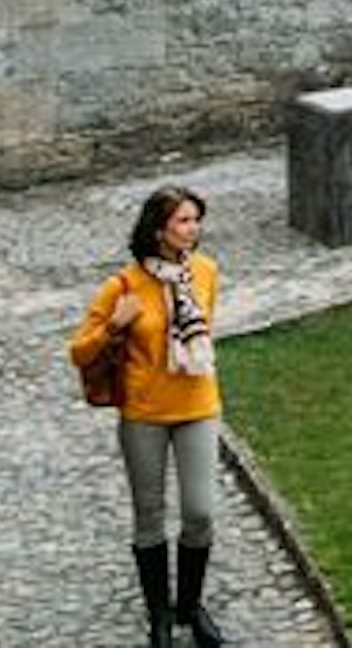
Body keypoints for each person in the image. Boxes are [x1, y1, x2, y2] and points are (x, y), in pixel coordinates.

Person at [73, 185, 227, 647]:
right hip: (144, 413)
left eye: (195, 219)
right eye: (183, 220)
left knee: (200, 512)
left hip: (199, 405)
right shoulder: (123, 285)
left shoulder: (205, 272)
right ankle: (159, 617)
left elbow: (202, 330)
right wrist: (116, 325)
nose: (193, 228)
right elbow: (79, 351)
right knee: (149, 514)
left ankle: (190, 606)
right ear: (158, 229)